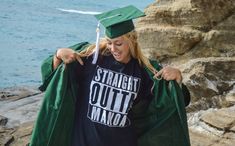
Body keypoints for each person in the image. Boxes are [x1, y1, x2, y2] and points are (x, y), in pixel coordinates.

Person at [30, 5, 190, 146]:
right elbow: (53, 78)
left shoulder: (145, 71)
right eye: (109, 42)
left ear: (132, 40)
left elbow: (175, 101)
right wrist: (58, 54)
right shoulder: (91, 59)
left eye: (119, 43)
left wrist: (177, 79)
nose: (113, 48)